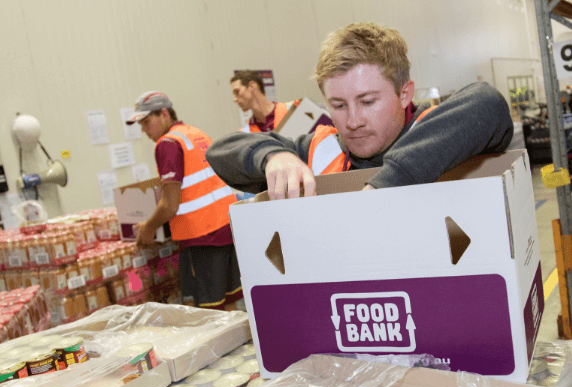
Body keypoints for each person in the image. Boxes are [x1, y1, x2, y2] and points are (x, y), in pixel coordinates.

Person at [207, 23, 513, 200]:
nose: (352, 121)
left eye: (368, 102)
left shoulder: (439, 131)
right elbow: (221, 151)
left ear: (405, 93)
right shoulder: (318, 151)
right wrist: (273, 156)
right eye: (338, 105)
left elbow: (487, 104)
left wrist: (385, 187)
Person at [126, 91, 242, 310]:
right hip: (226, 226)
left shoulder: (167, 143)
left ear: (163, 114)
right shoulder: (195, 134)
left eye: (146, 121)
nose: (143, 130)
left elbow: (170, 204)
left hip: (202, 236)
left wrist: (148, 227)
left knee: (210, 309)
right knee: (230, 303)